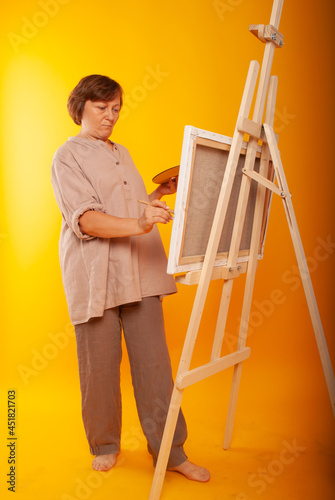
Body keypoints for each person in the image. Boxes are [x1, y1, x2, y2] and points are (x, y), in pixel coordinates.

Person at [51, 74, 210, 482]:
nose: (111, 116)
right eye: (102, 108)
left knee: (155, 365)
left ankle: (171, 452)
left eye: (117, 109)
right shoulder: (66, 157)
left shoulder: (122, 152)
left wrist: (157, 199)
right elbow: (86, 219)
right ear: (80, 107)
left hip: (139, 271)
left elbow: (128, 207)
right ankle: (105, 444)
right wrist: (141, 222)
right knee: (99, 368)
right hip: (94, 274)